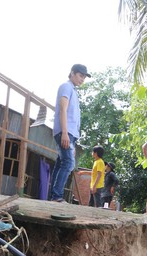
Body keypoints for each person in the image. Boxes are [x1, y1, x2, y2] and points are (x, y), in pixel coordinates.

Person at [48, 64, 90, 202]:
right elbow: (63, 109)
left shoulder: (73, 90)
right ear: (72, 73)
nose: (82, 79)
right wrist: (65, 133)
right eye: (80, 76)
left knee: (61, 162)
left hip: (70, 133)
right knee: (68, 163)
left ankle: (54, 195)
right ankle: (56, 196)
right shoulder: (66, 87)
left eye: (84, 77)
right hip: (65, 132)